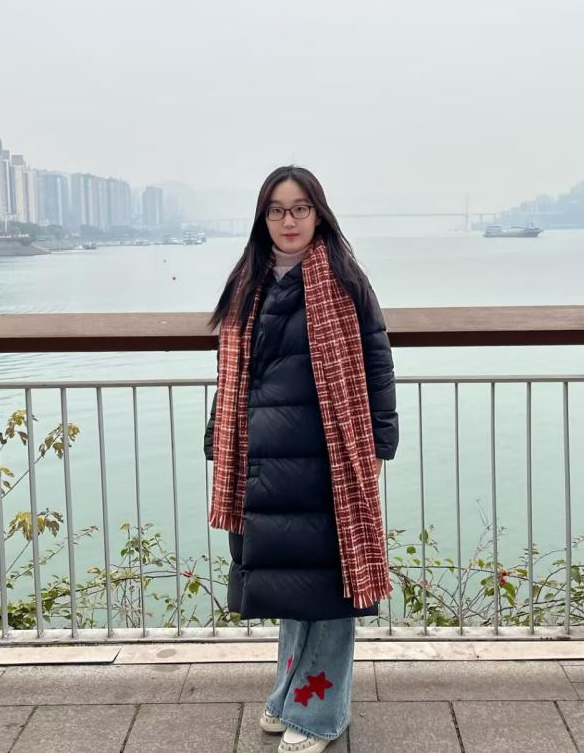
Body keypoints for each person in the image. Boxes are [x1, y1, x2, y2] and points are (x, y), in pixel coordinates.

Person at [203, 165, 399, 753]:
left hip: (329, 459)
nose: (288, 221)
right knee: (293, 587)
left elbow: (377, 364)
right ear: (262, 218)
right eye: (277, 210)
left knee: (332, 590)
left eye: (300, 208)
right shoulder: (248, 281)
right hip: (265, 460)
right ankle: (290, 696)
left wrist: (380, 444)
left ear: (319, 213)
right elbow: (231, 375)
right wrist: (218, 436)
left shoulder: (345, 280)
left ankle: (319, 713)